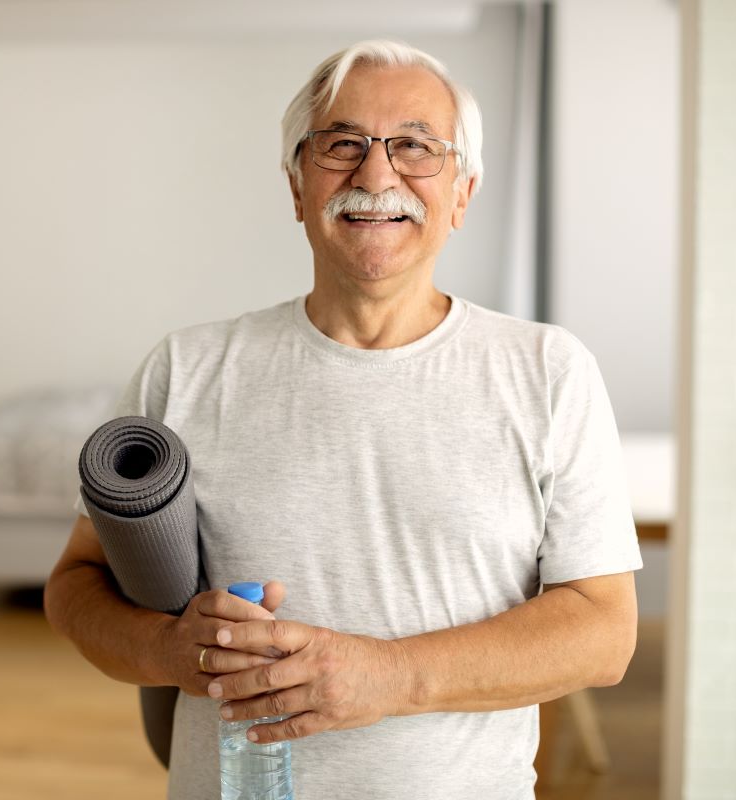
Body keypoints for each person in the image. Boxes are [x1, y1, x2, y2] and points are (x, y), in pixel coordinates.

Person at [44, 39, 641, 799]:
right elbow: (74, 586)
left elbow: (603, 634)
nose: (376, 172)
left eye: (415, 147)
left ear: (463, 192)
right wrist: (166, 649)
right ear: (297, 186)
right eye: (342, 144)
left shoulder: (549, 373)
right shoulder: (185, 369)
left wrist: (388, 676)